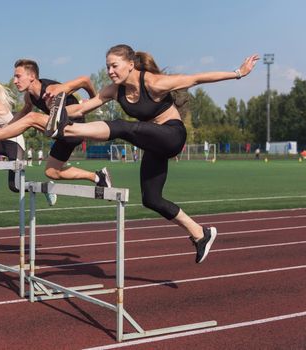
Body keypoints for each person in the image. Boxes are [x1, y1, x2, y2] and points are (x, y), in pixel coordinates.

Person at [48, 44, 259, 264]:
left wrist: (239, 73)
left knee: (123, 126)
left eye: (114, 66)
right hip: (153, 142)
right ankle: (200, 233)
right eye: (107, 66)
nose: (110, 71)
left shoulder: (153, 82)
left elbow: (197, 78)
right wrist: (56, 112)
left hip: (172, 136)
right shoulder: (114, 89)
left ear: (130, 65)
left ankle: (67, 130)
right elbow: (82, 109)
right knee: (151, 199)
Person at [0, 59, 112, 188]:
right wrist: (6, 128)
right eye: (14, 77)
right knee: (52, 172)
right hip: (60, 132)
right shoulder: (29, 96)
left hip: (74, 126)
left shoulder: (51, 89)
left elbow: (85, 80)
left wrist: (95, 100)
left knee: (33, 118)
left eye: (18, 76)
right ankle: (98, 176)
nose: (14, 81)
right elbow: (24, 111)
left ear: (32, 76)